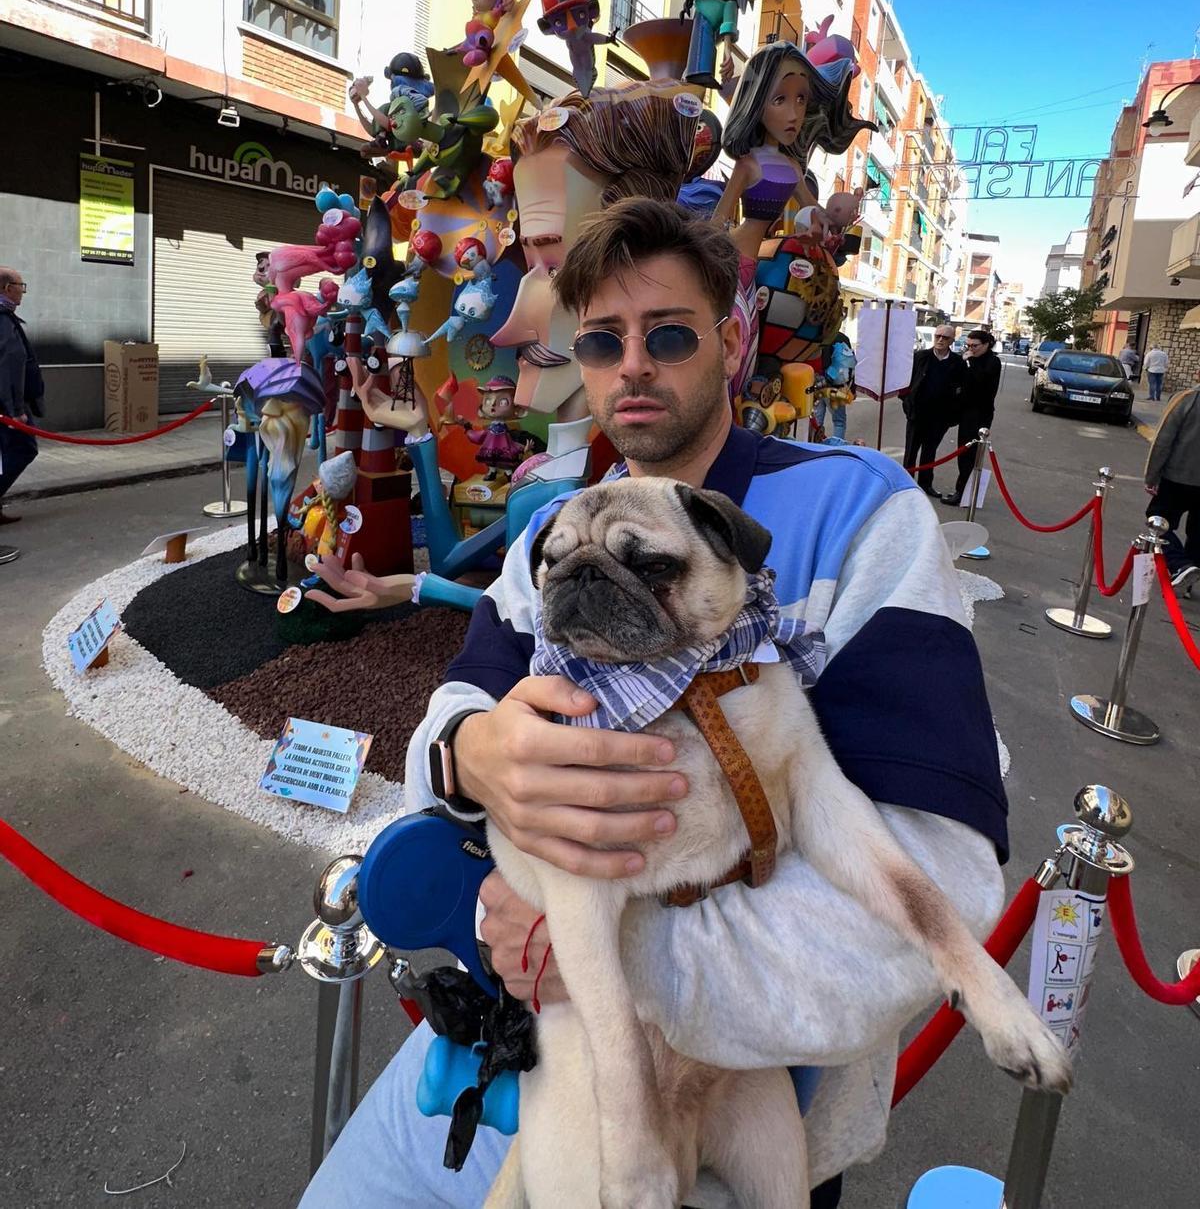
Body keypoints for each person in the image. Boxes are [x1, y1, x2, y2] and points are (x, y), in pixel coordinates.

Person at [301, 201, 1009, 1209]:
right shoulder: (556, 531)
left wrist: (596, 950)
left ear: (731, 341)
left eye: (667, 333)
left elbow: (931, 878)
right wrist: (470, 753)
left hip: (751, 1106)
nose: (631, 364)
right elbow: (447, 728)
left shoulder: (862, 515)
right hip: (501, 1055)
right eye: (602, 339)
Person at [1145, 366, 1200, 592]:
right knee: (1198, 533)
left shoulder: (1186, 400)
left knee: (1157, 521)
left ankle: (1180, 565)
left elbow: (1163, 440)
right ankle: (1188, 577)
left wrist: (1152, 475)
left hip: (1177, 477)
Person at [0, 266, 43, 556]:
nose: (22, 290)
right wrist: (16, 410)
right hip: (6, 408)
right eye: (20, 285)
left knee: (4, 455)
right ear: (6, 288)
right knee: (23, 449)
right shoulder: (3, 321)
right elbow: (10, 365)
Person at [902, 324, 964, 498]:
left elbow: (961, 389)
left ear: (952, 340)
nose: (940, 340)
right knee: (911, 451)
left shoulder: (957, 363)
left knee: (930, 452)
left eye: (945, 337)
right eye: (938, 336)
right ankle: (905, 485)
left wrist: (952, 415)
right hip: (917, 414)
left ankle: (925, 484)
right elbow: (906, 383)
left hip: (939, 417)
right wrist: (907, 403)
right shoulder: (920, 357)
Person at [944, 328, 1003, 507]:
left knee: (970, 454)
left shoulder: (992, 362)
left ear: (986, 345)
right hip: (964, 410)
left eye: (975, 346)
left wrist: (969, 362)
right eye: (968, 345)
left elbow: (981, 383)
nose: (971, 349)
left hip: (980, 413)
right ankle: (963, 490)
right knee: (963, 452)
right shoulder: (968, 360)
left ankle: (963, 492)